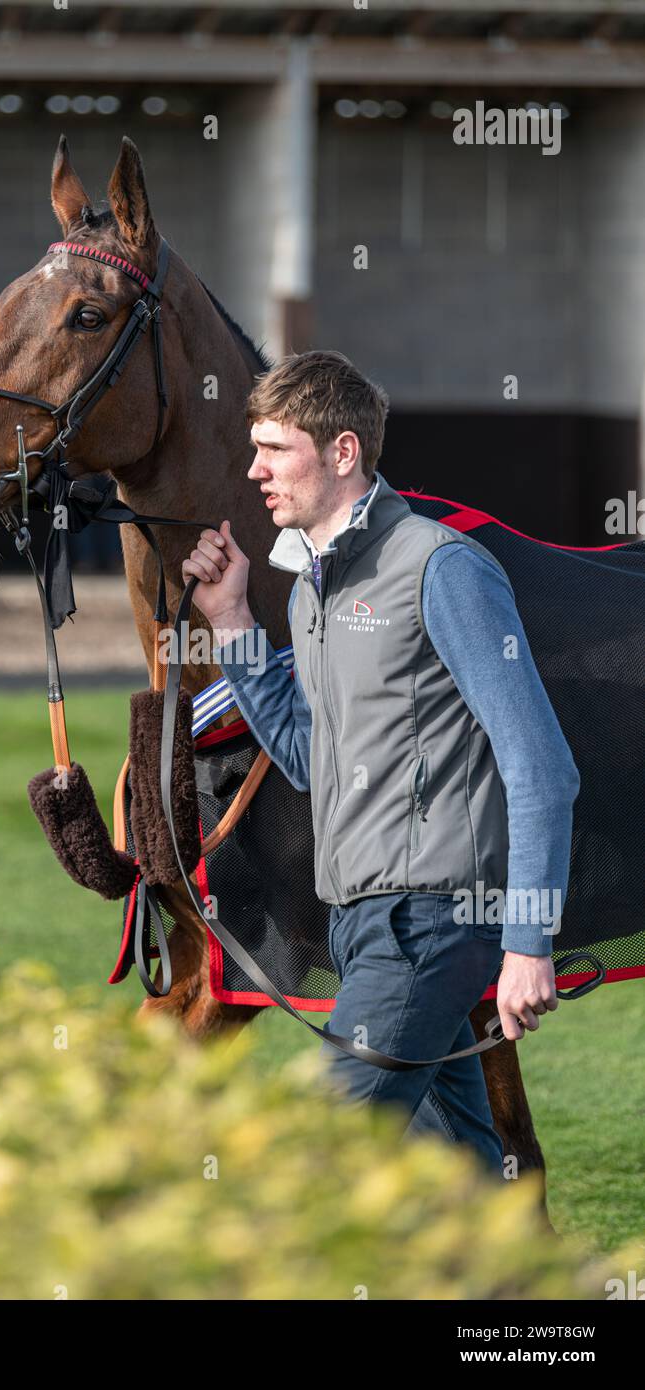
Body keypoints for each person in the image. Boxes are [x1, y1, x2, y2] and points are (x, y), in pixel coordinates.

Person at [182, 350, 581, 1176]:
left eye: (274, 450)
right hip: (362, 927)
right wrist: (229, 623)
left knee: (320, 1168)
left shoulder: (441, 567)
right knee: (465, 1185)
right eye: (254, 449)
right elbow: (308, 761)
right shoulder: (309, 591)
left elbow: (540, 764)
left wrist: (529, 940)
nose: (254, 471)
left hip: (429, 927)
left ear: (342, 452)